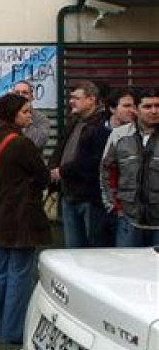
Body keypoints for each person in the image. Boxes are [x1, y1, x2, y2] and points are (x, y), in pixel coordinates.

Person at [0, 93, 51, 344]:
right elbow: (42, 176)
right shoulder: (22, 144)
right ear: (12, 114)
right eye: (25, 112)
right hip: (21, 215)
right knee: (20, 274)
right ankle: (12, 331)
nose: (29, 116)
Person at [48, 81, 112, 248]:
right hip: (69, 194)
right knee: (73, 250)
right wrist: (54, 176)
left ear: (91, 99)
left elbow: (93, 162)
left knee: (93, 249)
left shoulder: (102, 125)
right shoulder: (74, 121)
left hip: (89, 197)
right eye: (71, 98)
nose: (71, 101)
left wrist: (63, 171)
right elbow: (59, 150)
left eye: (76, 98)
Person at [100, 87, 159, 247]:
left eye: (157, 106)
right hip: (128, 219)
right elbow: (107, 170)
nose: (154, 111)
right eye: (147, 107)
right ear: (136, 109)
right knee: (126, 268)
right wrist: (113, 206)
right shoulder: (119, 135)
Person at [11, 81, 50, 152]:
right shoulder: (3, 117)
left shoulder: (41, 119)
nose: (20, 95)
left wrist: (27, 121)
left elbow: (38, 143)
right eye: (17, 93)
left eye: (25, 93)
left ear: (31, 97)